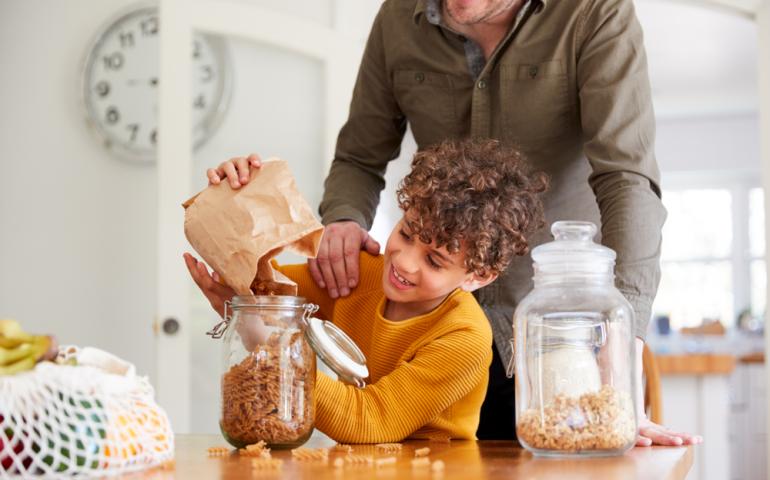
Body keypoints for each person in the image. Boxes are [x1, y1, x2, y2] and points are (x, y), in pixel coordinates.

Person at [301, 0, 702, 446]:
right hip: (436, 334)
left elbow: (627, 179)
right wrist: (342, 220)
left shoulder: (594, 12)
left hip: (559, 339)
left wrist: (619, 344)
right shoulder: (398, 17)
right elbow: (359, 157)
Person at [186, 138, 547, 442]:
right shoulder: (361, 275)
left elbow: (369, 419)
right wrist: (236, 198)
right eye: (406, 233)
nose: (404, 262)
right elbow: (262, 285)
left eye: (434, 261)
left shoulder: (465, 337)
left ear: (478, 276)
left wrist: (272, 346)